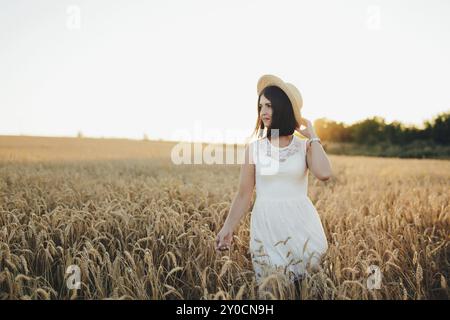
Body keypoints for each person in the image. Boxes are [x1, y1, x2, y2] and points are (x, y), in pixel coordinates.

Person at [215, 74, 332, 292]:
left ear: (284, 107)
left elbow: (324, 173)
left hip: (302, 226)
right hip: (267, 228)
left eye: (269, 105)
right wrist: (227, 227)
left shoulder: (303, 147)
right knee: (273, 290)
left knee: (307, 291)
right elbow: (244, 194)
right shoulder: (255, 148)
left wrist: (312, 134)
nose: (263, 112)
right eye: (260, 107)